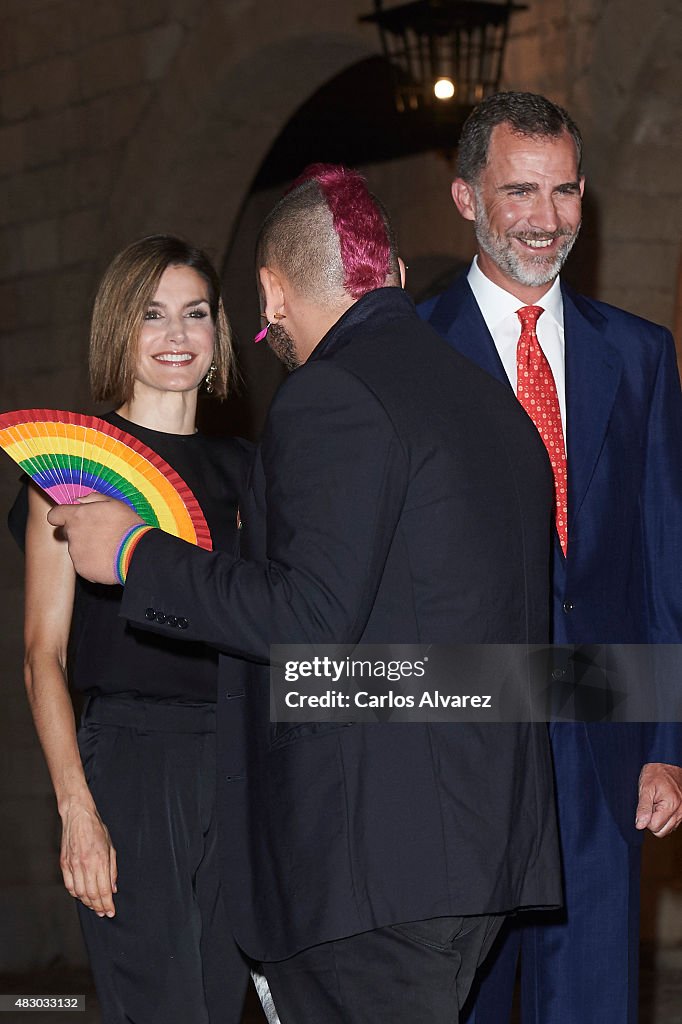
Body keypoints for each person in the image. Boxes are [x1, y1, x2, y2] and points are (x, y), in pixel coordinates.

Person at [46, 164, 562, 1024]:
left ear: (270, 294)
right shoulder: (491, 400)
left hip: (379, 867)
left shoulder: (332, 394)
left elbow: (311, 618)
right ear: (391, 275)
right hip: (485, 849)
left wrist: (137, 553)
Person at [418, 91, 682, 1024]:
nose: (546, 218)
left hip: (605, 757)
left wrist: (666, 747)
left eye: (565, 191)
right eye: (520, 191)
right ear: (465, 197)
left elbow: (662, 565)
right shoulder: (410, 354)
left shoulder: (641, 356)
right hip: (458, 761)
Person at [11, 236, 252, 1024]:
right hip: (130, 765)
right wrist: (76, 810)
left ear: (218, 333)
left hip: (238, 756)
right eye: (152, 315)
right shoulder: (68, 470)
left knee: (217, 1008)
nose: (176, 335)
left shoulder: (250, 471)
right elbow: (41, 656)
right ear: (120, 329)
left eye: (193, 314)